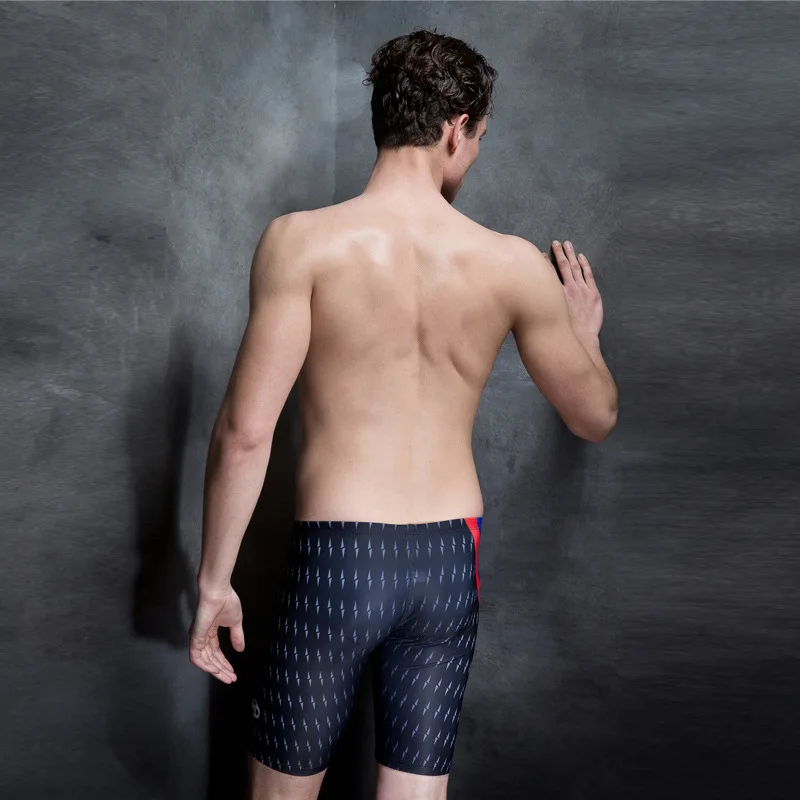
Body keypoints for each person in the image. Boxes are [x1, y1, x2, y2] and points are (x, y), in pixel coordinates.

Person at [188, 28, 618, 800]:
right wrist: (584, 337)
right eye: (477, 139)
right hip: (449, 560)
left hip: (339, 560)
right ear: (457, 127)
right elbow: (595, 417)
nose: (473, 155)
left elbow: (245, 433)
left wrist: (215, 581)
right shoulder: (514, 264)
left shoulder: (301, 244)